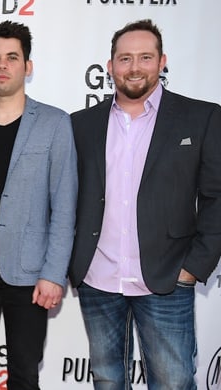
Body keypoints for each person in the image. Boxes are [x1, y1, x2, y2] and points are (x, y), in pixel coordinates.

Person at [70, 19, 221, 389]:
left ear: (162, 61)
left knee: (173, 381)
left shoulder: (201, 117)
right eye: (124, 58)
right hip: (98, 280)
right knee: (107, 379)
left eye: (145, 57)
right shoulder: (79, 124)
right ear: (110, 67)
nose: (134, 67)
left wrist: (194, 267)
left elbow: (217, 198)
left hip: (167, 279)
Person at [0, 21, 77, 390]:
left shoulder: (55, 124)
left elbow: (65, 205)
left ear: (28, 66)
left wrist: (54, 273)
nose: (3, 65)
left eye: (12, 57)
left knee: (24, 371)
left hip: (29, 272)